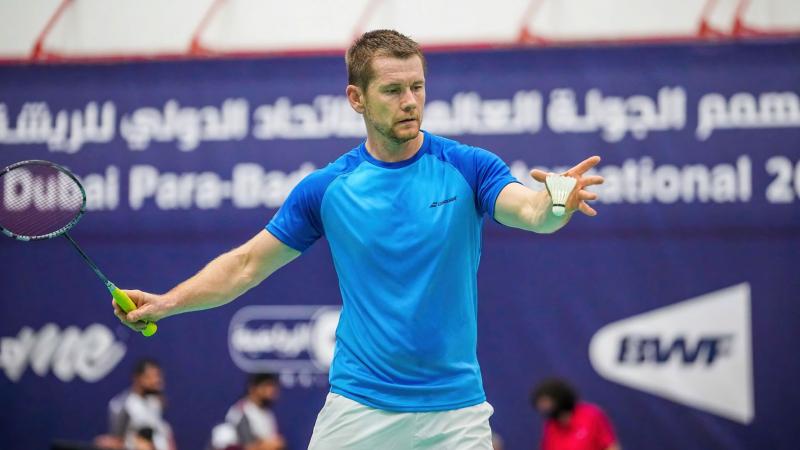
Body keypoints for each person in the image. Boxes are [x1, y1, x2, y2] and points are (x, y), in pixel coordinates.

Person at [114, 29, 604, 449]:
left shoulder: (467, 166)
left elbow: (530, 210)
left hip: (455, 413)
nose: (410, 101)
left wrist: (556, 201)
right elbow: (245, 265)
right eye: (393, 90)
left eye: (417, 86)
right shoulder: (328, 189)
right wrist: (166, 303)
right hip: (359, 407)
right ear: (357, 98)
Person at [94, 359, 176, 450]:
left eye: (158, 376)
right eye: (151, 377)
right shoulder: (123, 405)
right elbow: (115, 441)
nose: (157, 381)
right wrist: (135, 444)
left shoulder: (155, 402)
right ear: (138, 378)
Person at [531, 378, 620, 450]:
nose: (544, 408)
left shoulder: (591, 414)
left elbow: (610, 446)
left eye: (546, 402)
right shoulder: (550, 427)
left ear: (558, 398)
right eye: (541, 405)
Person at [217, 373, 285, 450]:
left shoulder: (268, 414)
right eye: (266, 386)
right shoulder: (241, 411)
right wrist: (270, 445)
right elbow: (248, 446)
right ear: (252, 388)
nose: (271, 391)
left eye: (272, 386)